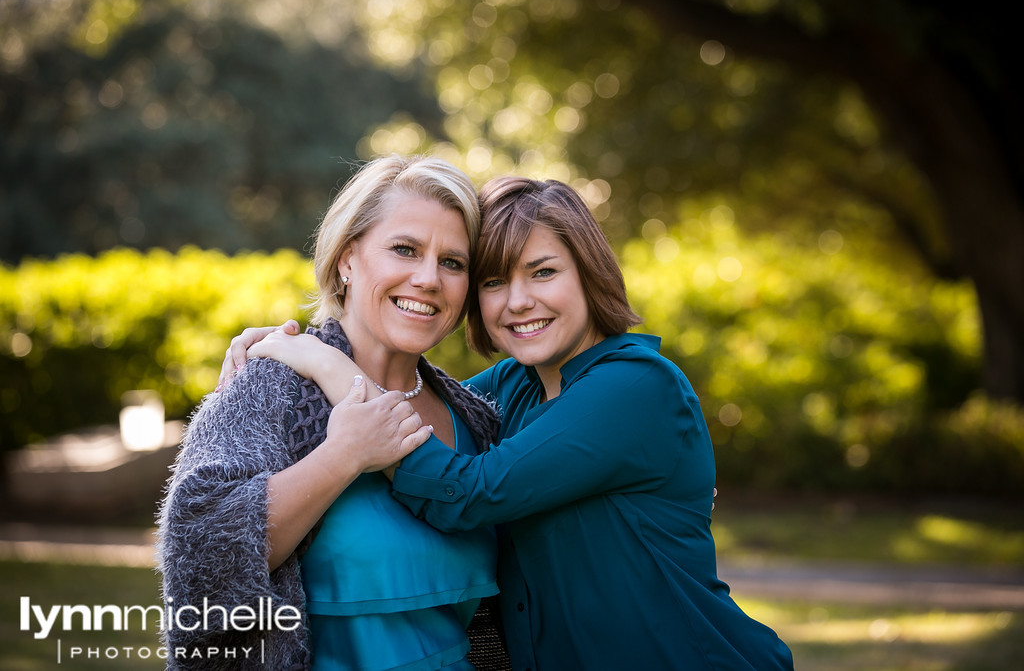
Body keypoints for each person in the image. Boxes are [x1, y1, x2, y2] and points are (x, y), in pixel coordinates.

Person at [225, 177, 794, 670]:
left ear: (588, 274)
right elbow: (421, 402)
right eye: (493, 282)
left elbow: (465, 492)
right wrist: (285, 346)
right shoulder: (512, 386)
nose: (517, 301)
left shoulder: (636, 386)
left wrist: (324, 363)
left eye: (543, 272)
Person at [157, 154, 511, 670]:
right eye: (405, 250)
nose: (429, 279)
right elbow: (199, 565)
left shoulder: (479, 420)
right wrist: (342, 456)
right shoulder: (269, 386)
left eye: (453, 263)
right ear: (347, 259)